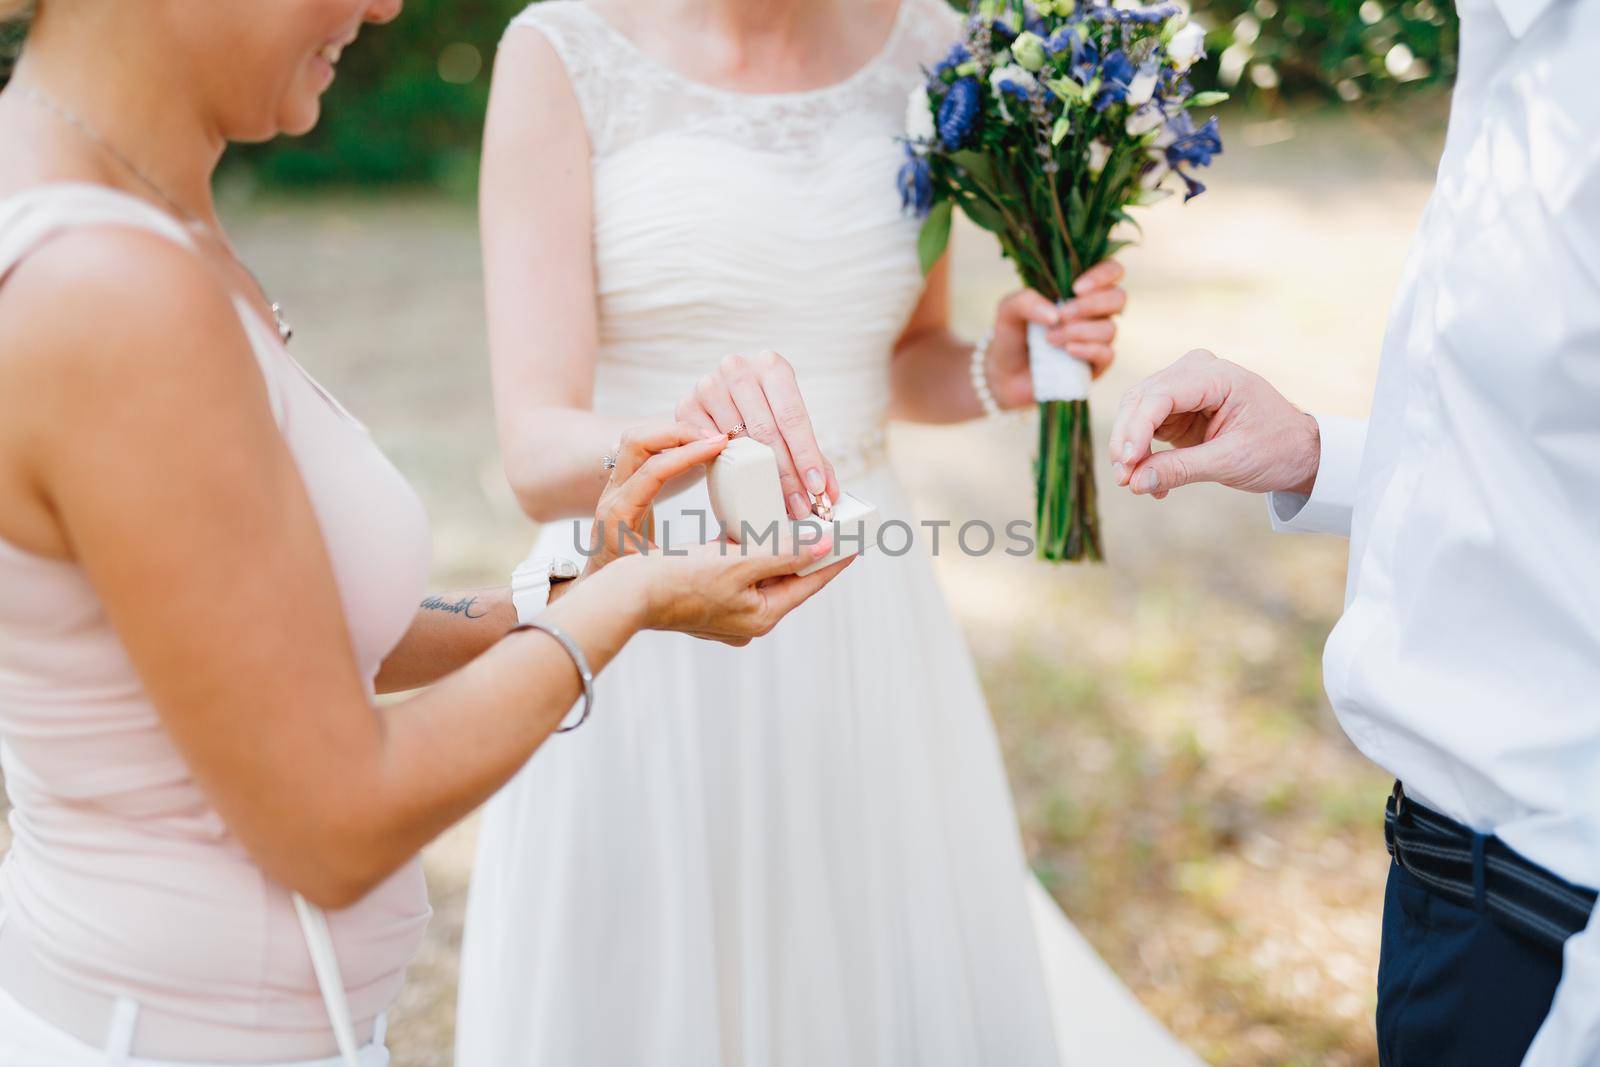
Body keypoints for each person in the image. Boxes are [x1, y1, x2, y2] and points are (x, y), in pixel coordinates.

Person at [0, 1, 847, 1063]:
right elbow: (333, 821)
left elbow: (258, 632)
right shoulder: (107, 287)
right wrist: (624, 604)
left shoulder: (138, 215)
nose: (386, 4)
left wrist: (564, 588)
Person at [458, 0, 1198, 1063]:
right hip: (647, 608)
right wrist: (719, 445)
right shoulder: (561, 52)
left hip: (862, 600)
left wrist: (998, 369)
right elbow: (536, 452)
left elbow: (901, 357)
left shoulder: (929, 45)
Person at [1108, 0, 1599, 1061]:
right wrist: (1312, 452)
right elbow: (1551, 463)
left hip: (1551, 927)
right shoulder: (1518, 41)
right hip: (1449, 890)